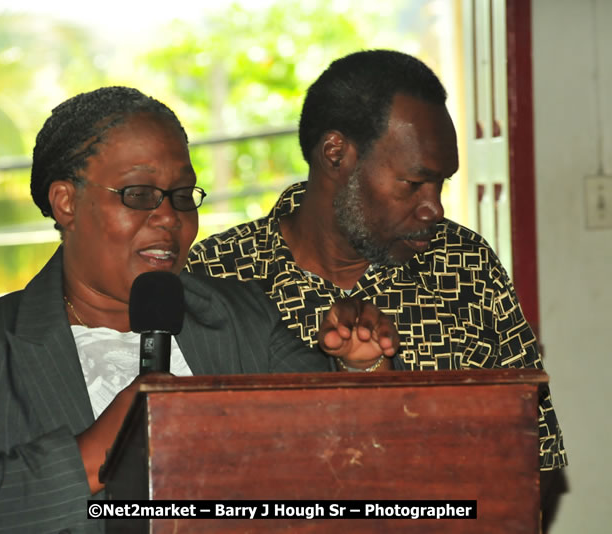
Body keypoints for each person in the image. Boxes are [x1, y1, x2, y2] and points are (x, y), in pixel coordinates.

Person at [0, 86, 399, 533]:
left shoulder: (241, 318)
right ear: (66, 203)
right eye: (139, 194)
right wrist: (94, 454)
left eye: (182, 195)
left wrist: (364, 369)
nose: (169, 217)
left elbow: (346, 463)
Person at [186, 50, 567, 499]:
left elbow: (533, 457)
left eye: (441, 184)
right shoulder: (217, 274)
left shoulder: (465, 266)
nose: (434, 208)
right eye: (413, 184)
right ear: (336, 154)